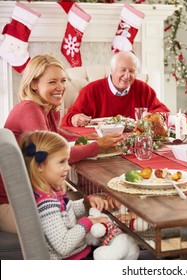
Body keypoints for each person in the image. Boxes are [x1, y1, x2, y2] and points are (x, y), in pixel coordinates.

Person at [0, 54, 122, 234]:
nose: (60, 87)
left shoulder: (47, 109)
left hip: (35, 198)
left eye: (63, 81)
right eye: (52, 82)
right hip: (14, 206)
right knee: (102, 218)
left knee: (100, 208)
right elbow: (51, 157)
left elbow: (57, 135)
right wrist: (98, 146)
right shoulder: (29, 109)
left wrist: (91, 137)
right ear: (34, 84)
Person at [19, 130, 110, 259]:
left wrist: (86, 203)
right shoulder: (46, 204)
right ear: (39, 165)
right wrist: (88, 222)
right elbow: (63, 245)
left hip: (80, 253)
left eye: (67, 161)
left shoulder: (49, 192)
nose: (67, 167)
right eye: (62, 162)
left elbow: (66, 212)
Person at [61, 51, 170, 127]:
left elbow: (164, 111)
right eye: (123, 70)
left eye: (131, 71)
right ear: (112, 70)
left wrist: (155, 115)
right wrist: (75, 119)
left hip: (135, 142)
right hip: (101, 143)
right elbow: (68, 117)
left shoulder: (143, 89)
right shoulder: (91, 90)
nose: (127, 76)